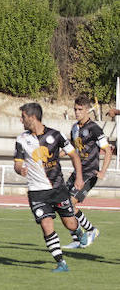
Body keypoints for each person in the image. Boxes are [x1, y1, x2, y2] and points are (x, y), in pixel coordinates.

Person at [13, 102, 88, 272]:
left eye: (23, 117)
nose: (21, 120)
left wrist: (80, 178)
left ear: (32, 118)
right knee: (46, 225)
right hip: (36, 192)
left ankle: (78, 232)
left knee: (70, 224)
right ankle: (61, 262)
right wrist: (20, 169)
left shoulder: (56, 135)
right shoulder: (21, 139)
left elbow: (74, 155)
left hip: (57, 189)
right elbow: (17, 164)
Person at [64, 96, 112, 249]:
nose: (77, 112)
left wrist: (103, 171)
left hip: (90, 173)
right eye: (75, 109)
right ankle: (78, 239)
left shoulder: (94, 128)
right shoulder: (74, 128)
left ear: (87, 110)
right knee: (62, 203)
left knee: (71, 202)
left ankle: (91, 230)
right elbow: (71, 149)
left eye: (80, 110)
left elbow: (108, 150)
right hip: (77, 171)